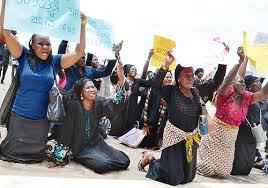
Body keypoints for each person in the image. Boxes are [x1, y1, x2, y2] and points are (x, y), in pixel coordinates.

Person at [0, 13, 86, 163]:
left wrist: (82, 26)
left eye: (48, 44)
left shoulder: (55, 61)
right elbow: (4, 32)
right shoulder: (23, 55)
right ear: (32, 44)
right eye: (41, 43)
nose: (45, 47)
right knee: (10, 154)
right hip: (19, 117)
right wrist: (5, 5)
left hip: (41, 121)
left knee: (35, 157)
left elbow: (79, 53)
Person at [138, 51, 225, 186]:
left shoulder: (197, 90)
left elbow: (216, 83)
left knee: (188, 178)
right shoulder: (171, 92)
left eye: (192, 75)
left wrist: (222, 60)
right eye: (186, 76)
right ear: (178, 78)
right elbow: (155, 85)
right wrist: (166, 64)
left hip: (191, 138)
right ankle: (151, 158)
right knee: (172, 179)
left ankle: (161, 160)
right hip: (174, 138)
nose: (190, 78)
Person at [197, 47, 268, 178]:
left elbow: (264, 92)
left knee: (223, 173)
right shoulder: (225, 94)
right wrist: (239, 62)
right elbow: (227, 80)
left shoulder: (247, 98)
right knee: (206, 170)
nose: (243, 84)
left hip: (230, 141)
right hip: (216, 136)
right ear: (233, 84)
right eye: (240, 82)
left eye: (244, 84)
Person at [48, 78, 130, 173]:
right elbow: (66, 132)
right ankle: (81, 157)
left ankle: (105, 159)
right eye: (88, 88)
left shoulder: (98, 103)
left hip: (97, 143)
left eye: (93, 87)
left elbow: (114, 105)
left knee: (125, 161)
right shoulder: (73, 106)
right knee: (102, 165)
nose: (92, 89)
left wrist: (121, 87)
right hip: (79, 148)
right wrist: (59, 157)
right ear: (81, 93)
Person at [231, 75, 268, 175]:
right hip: (243, 135)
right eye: (256, 81)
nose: (260, 83)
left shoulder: (257, 99)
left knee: (246, 165)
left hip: (252, 137)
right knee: (239, 163)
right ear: (249, 85)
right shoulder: (245, 98)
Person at [139, 70, 172, 149]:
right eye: (167, 77)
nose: (169, 79)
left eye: (171, 77)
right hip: (150, 121)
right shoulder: (154, 90)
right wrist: (147, 122)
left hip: (161, 122)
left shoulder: (170, 91)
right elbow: (149, 107)